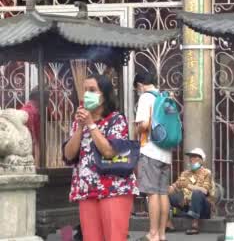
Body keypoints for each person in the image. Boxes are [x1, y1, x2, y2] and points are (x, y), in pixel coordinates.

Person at [62, 74, 138, 241]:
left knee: (114, 237)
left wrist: (91, 124)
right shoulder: (78, 123)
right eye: (85, 90)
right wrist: (80, 128)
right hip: (87, 190)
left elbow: (109, 152)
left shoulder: (116, 120)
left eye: (92, 90)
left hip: (114, 189)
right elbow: (69, 154)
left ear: (104, 95)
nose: (86, 94)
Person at [134, 72, 172, 241]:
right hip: (166, 153)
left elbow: (143, 125)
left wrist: (136, 130)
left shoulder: (145, 98)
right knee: (163, 193)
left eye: (137, 88)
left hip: (150, 151)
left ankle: (153, 233)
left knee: (152, 193)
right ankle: (162, 233)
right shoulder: (164, 96)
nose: (137, 91)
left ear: (140, 85)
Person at [166, 148, 215, 235]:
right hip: (187, 204)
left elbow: (204, 191)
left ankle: (194, 225)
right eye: (190, 157)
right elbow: (175, 185)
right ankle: (168, 224)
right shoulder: (185, 173)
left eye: (195, 157)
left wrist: (188, 186)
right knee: (164, 194)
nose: (191, 159)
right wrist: (166, 189)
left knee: (197, 193)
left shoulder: (206, 173)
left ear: (201, 160)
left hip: (204, 207)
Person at [20, 86, 47, 167]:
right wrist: (37, 166)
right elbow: (36, 142)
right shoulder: (33, 112)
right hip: (28, 156)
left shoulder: (23, 109)